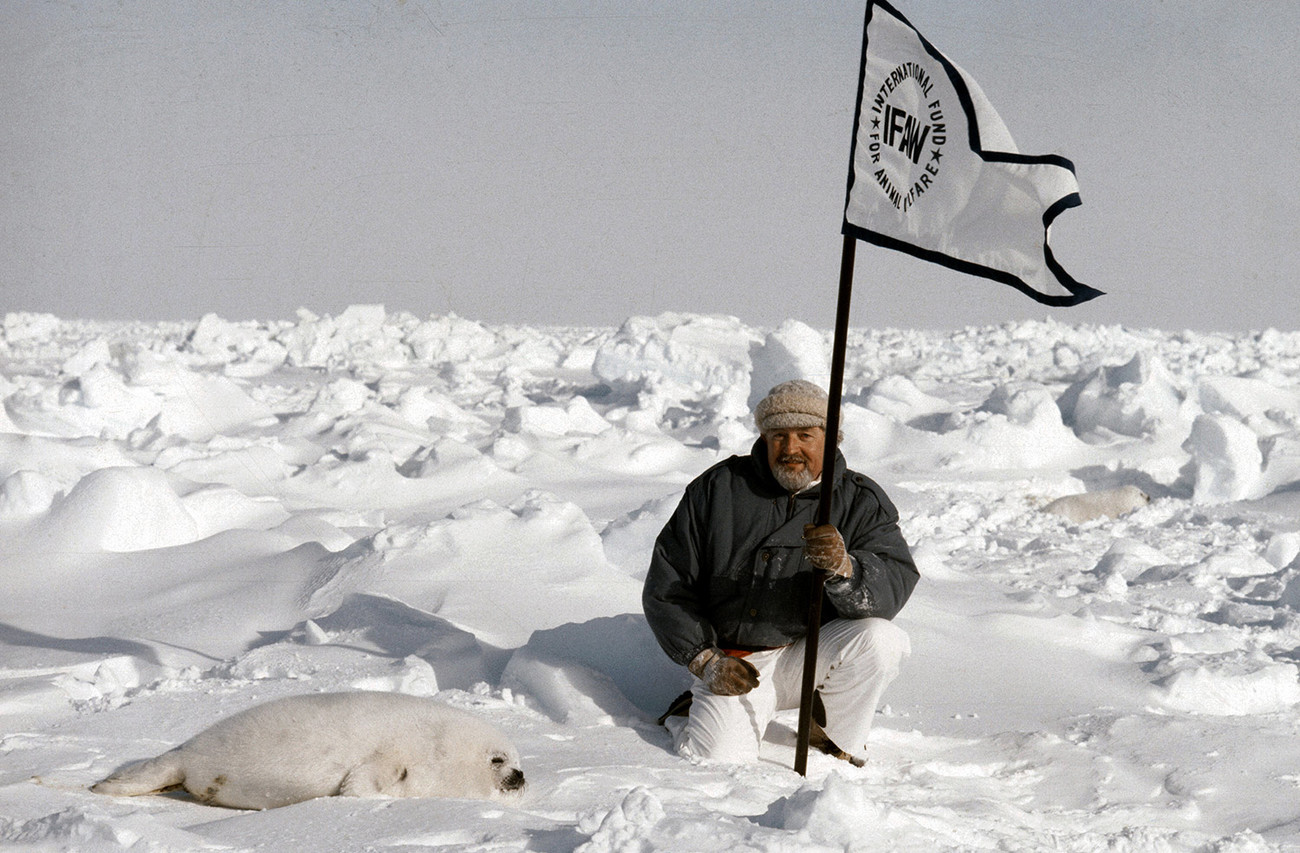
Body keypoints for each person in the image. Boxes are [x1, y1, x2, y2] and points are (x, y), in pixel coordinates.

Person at [642, 379, 918, 765]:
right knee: (719, 758)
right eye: (778, 436)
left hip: (812, 656)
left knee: (880, 639)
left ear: (831, 438)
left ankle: (830, 731)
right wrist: (705, 660)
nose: (790, 449)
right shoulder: (718, 489)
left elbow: (895, 580)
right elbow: (667, 587)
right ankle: (689, 712)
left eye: (805, 435)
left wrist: (846, 569)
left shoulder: (859, 500)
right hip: (738, 662)